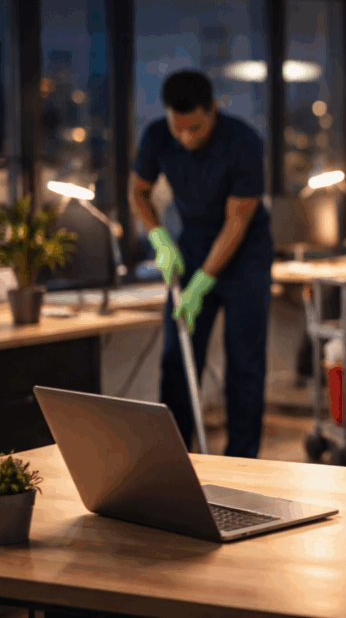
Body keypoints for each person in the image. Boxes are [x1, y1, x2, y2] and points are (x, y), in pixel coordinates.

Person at [129, 70, 274, 459]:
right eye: (179, 129)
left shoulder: (243, 142)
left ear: (212, 110)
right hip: (191, 247)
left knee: (244, 364)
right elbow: (138, 191)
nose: (186, 138)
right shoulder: (159, 136)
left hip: (246, 256)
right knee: (177, 359)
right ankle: (173, 461)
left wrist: (201, 283)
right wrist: (158, 236)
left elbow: (238, 220)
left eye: (195, 127)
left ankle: (242, 464)